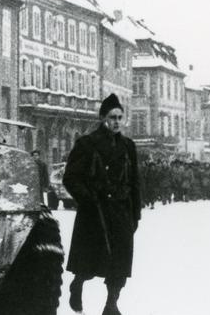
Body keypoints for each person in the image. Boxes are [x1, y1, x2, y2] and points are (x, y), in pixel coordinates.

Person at [63, 94, 140, 315]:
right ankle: (77, 285)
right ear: (102, 118)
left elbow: (135, 181)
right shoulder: (87, 144)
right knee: (89, 260)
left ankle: (111, 303)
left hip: (121, 210)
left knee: (120, 261)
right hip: (94, 212)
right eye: (112, 117)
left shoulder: (128, 146)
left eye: (120, 117)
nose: (116, 121)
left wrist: (136, 213)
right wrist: (87, 198)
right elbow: (71, 178)